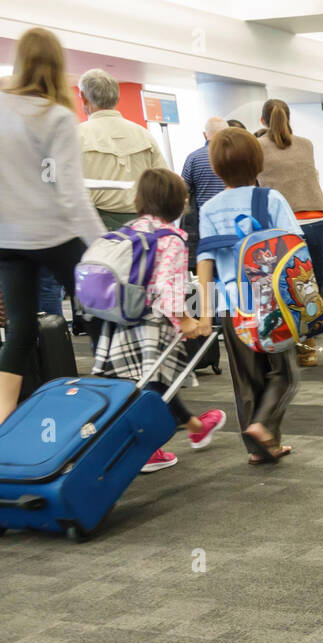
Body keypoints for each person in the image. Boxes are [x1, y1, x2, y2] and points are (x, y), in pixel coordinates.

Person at [0, 29, 106, 425]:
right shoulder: (57, 116)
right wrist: (102, 246)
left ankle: (1, 416)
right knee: (103, 312)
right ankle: (115, 406)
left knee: (21, 330)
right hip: (51, 234)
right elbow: (72, 195)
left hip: (7, 239)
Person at [92, 168, 226, 472]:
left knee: (152, 382)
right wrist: (186, 320)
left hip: (122, 318)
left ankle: (193, 426)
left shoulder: (130, 230)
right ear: (178, 203)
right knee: (153, 386)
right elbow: (168, 287)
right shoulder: (171, 239)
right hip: (153, 322)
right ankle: (147, 449)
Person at [197, 127, 300, 464]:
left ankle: (259, 450)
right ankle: (264, 426)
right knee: (283, 373)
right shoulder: (271, 199)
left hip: (232, 305)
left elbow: (205, 262)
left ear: (215, 168)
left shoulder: (209, 208)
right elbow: (294, 247)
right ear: (258, 162)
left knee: (246, 379)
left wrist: (204, 313)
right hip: (271, 304)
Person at [254, 98, 323, 368]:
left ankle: (286, 344)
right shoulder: (306, 144)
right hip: (317, 218)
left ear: (262, 120)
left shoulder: (257, 146)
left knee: (282, 287)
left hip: (283, 225)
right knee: (313, 286)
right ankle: (309, 348)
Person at [77, 69, 168, 233]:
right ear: (117, 97)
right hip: (143, 226)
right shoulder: (144, 135)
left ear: (83, 97)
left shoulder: (76, 136)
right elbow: (163, 182)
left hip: (96, 226)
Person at [180, 116, 231, 271]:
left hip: (204, 228)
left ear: (204, 135)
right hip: (233, 225)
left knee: (208, 273)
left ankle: (211, 295)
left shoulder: (193, 158)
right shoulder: (235, 156)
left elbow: (183, 191)